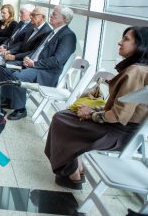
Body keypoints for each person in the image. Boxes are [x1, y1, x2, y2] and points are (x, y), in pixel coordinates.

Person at [45, 26, 148, 190]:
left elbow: (118, 116)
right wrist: (93, 112)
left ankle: (71, 172)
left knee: (62, 120)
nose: (119, 42)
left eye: (126, 39)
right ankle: (73, 167)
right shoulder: (140, 69)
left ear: (141, 45)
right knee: (66, 117)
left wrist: (91, 114)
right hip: (123, 130)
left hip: (118, 133)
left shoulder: (136, 71)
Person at [0, 6, 77, 120]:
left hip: (47, 72)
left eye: (54, 14)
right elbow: (37, 50)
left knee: (17, 76)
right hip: (34, 65)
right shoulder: (53, 32)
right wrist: (28, 59)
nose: (51, 16)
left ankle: (20, 109)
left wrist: (34, 64)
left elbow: (57, 61)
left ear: (64, 19)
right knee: (3, 69)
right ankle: (9, 100)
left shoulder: (68, 36)